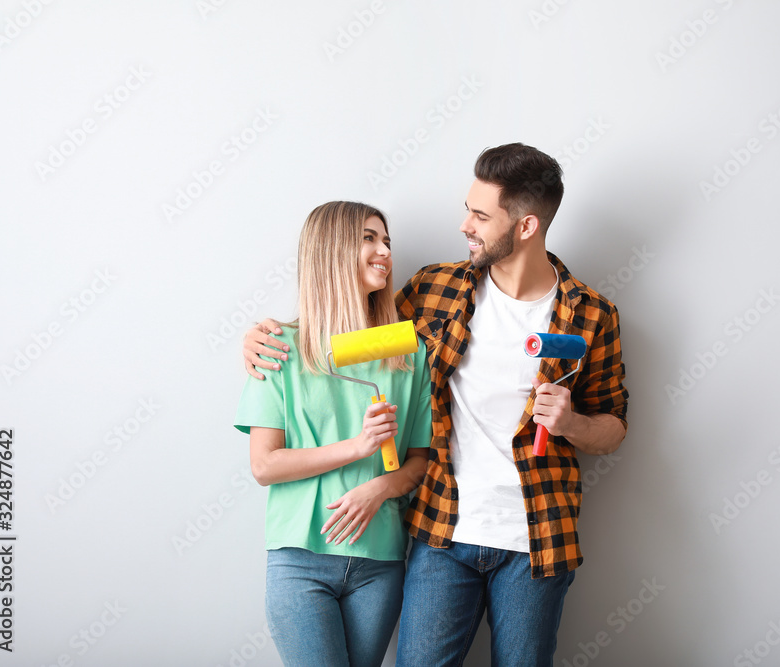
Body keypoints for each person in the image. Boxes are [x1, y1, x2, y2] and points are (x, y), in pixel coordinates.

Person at [243, 144, 628, 666]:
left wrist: (573, 422)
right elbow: (355, 334)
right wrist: (266, 336)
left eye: (480, 215)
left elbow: (614, 427)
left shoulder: (591, 315)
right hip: (441, 533)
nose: (465, 224)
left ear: (526, 226)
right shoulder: (433, 290)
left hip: (538, 537)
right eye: (468, 208)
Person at [234, 201, 431, 667]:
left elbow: (420, 461)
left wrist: (379, 488)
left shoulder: (406, 351)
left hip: (379, 562)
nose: (384, 250)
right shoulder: (277, 347)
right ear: (331, 250)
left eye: (386, 241)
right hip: (301, 559)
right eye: (368, 238)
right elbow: (265, 465)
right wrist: (357, 446)